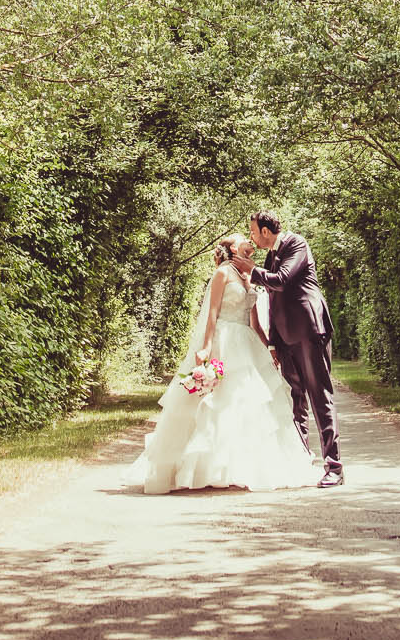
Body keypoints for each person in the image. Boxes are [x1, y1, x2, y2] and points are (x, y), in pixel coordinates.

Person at [126, 234, 316, 494]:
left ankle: (241, 467)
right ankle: (204, 468)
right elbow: (212, 312)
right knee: (219, 403)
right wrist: (205, 346)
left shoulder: (248, 276)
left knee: (248, 402)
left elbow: (255, 321)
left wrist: (268, 346)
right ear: (232, 249)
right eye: (243, 239)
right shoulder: (222, 274)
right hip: (225, 340)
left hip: (247, 342)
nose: (250, 242)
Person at [247, 211, 344, 487]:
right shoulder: (270, 256)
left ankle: (334, 466)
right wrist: (274, 342)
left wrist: (249, 270)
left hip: (310, 331)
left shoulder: (296, 244)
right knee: (294, 400)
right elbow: (274, 302)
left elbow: (281, 279)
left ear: (266, 231)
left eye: (254, 232)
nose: (252, 238)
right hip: (286, 338)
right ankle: (302, 459)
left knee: (319, 396)